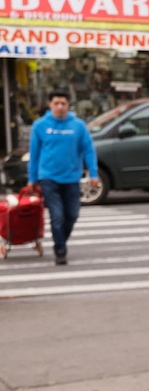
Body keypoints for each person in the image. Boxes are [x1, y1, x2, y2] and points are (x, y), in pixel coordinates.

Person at [28, 90, 97, 265]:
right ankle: (60, 250)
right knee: (57, 216)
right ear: (50, 105)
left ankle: (61, 240)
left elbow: (88, 150)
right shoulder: (40, 125)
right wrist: (32, 178)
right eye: (56, 103)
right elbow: (34, 154)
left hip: (72, 177)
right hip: (48, 177)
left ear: (68, 105)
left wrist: (93, 174)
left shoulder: (78, 126)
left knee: (72, 215)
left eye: (63, 103)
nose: (60, 106)